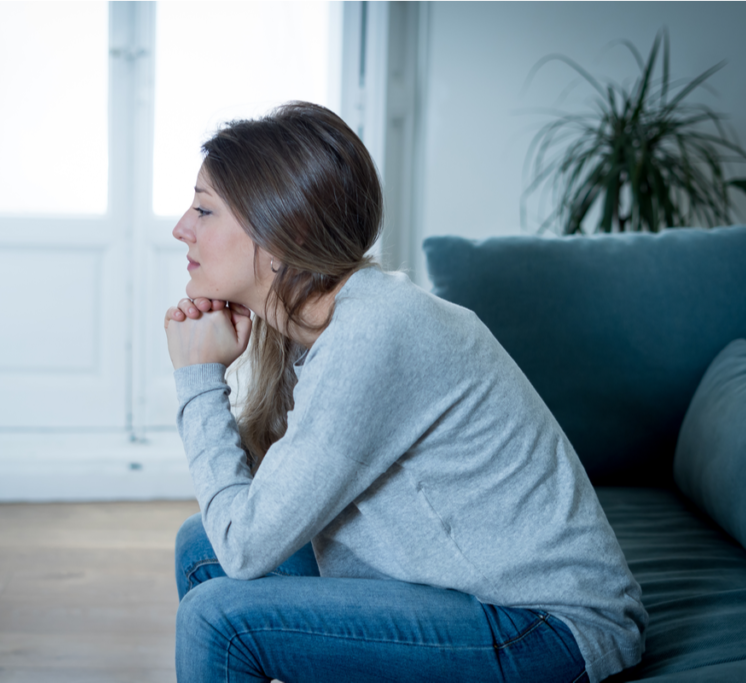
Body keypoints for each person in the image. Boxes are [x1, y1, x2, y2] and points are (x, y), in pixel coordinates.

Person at [163, 101, 647, 683]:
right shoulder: (320, 324)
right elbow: (260, 516)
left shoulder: (373, 330)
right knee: (201, 547)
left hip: (548, 627)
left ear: (279, 232)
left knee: (220, 620)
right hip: (460, 592)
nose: (181, 228)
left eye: (204, 209)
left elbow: (247, 544)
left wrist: (197, 379)